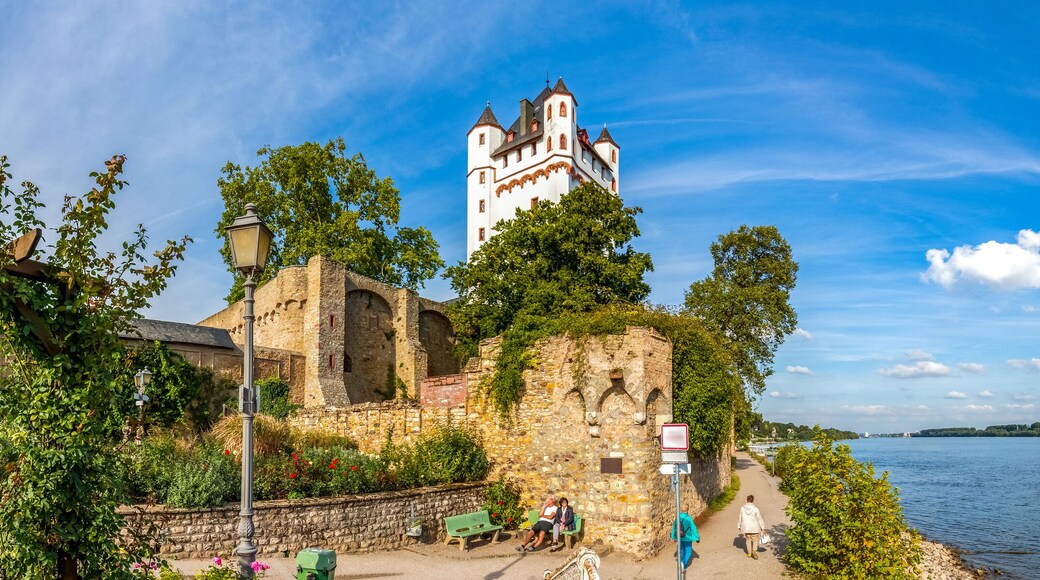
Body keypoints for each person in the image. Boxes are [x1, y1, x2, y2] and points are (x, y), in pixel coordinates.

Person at [737, 494, 767, 559]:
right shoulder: (755, 508)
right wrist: (763, 527)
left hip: (746, 527)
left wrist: (739, 525)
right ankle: (754, 551)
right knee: (755, 539)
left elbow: (740, 517)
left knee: (748, 540)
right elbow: (759, 518)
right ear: (753, 500)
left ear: (747, 500)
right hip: (754, 527)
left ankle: (749, 553)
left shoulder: (742, 508)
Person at [671, 511, 699, 575]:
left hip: (679, 538)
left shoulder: (677, 518)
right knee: (688, 551)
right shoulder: (689, 518)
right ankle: (683, 562)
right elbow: (693, 528)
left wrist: (672, 537)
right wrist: (697, 537)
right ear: (686, 512)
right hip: (687, 538)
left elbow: (673, 528)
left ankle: (684, 566)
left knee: (682, 551)